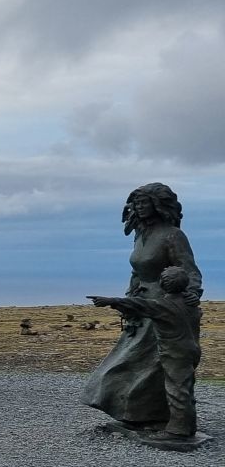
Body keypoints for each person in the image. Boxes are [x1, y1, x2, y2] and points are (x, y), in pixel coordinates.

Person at [82, 183, 204, 430]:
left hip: (163, 304)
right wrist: (129, 298)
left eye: (144, 202)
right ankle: (135, 412)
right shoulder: (140, 235)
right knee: (133, 361)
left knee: (154, 363)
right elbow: (137, 272)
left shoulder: (173, 235)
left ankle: (158, 416)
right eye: (136, 203)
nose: (139, 207)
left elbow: (189, 270)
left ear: (158, 206)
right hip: (140, 304)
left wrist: (191, 293)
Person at [89, 266, 202, 439]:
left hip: (174, 352)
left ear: (163, 285)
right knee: (185, 386)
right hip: (191, 350)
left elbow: (138, 304)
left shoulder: (164, 306)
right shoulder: (191, 304)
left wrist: (110, 301)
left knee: (176, 389)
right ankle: (188, 425)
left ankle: (177, 430)